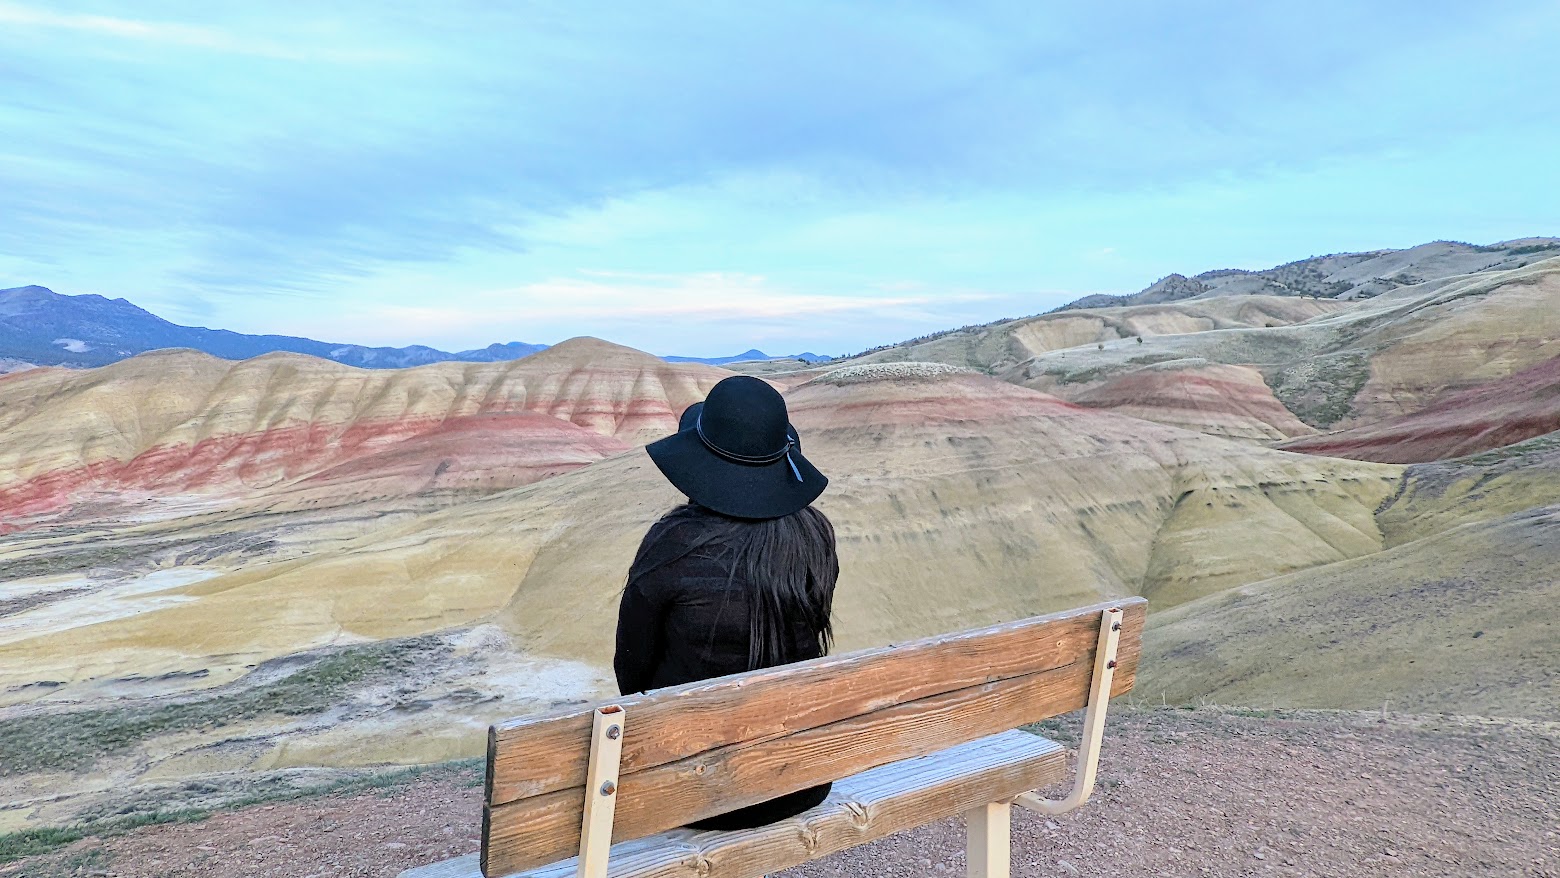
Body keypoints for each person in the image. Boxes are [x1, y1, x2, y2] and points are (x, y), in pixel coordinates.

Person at [614, 375, 838, 830]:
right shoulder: (813, 536)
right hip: (798, 779)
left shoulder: (675, 543)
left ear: (699, 464)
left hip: (691, 790)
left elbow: (632, 673)